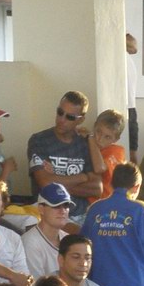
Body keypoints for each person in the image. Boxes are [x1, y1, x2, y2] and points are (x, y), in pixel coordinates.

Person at [29, 91, 102, 219]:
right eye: (60, 112)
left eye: (70, 117)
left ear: (81, 120)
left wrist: (56, 182)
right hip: (48, 216)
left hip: (82, 215)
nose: (62, 119)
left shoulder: (85, 144)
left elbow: (96, 189)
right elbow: (45, 183)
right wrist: (82, 177)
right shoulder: (39, 140)